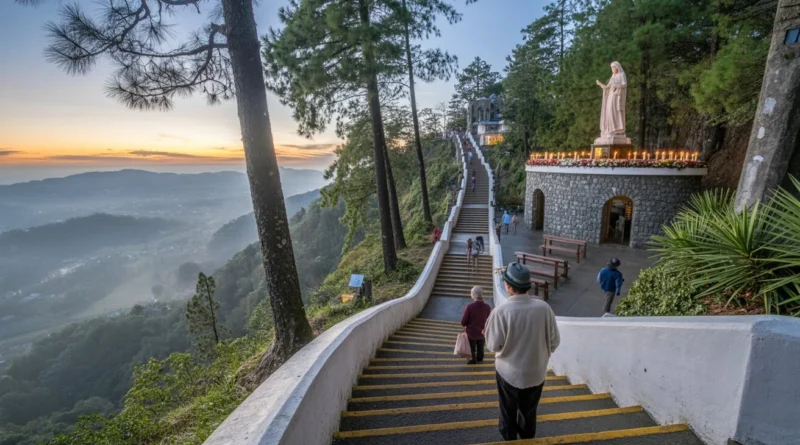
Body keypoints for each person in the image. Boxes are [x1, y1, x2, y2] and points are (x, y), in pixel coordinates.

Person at [485, 263, 560, 441]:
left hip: (508, 373)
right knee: (529, 409)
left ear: (509, 287)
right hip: (536, 373)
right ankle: (527, 436)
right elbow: (555, 341)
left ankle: (509, 437)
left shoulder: (500, 312)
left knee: (507, 409)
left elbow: (493, 346)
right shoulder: (544, 308)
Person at [460, 286, 492, 365]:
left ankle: (472, 359)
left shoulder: (470, 307)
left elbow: (463, 321)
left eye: (471, 293)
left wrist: (466, 325)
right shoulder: (487, 307)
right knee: (481, 346)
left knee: (472, 347)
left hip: (471, 332)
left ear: (474, 295)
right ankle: (480, 358)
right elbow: (489, 320)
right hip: (482, 332)